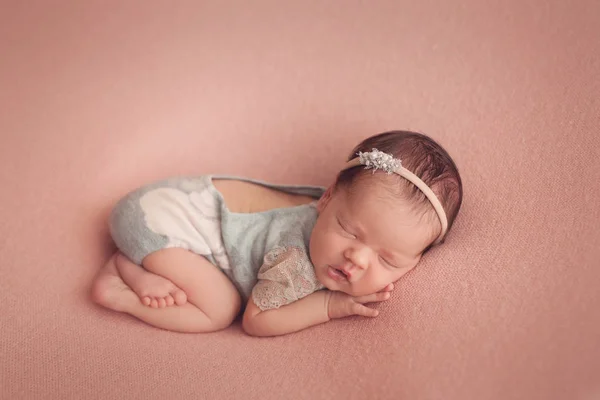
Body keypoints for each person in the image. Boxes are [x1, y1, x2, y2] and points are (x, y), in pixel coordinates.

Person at [91, 130, 463, 336]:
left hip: (170, 204)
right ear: (328, 198)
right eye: (349, 231)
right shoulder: (294, 260)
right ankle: (124, 278)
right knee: (219, 310)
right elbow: (257, 320)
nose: (358, 258)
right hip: (154, 221)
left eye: (387, 259)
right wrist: (329, 306)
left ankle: (141, 263)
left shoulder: (336, 209)